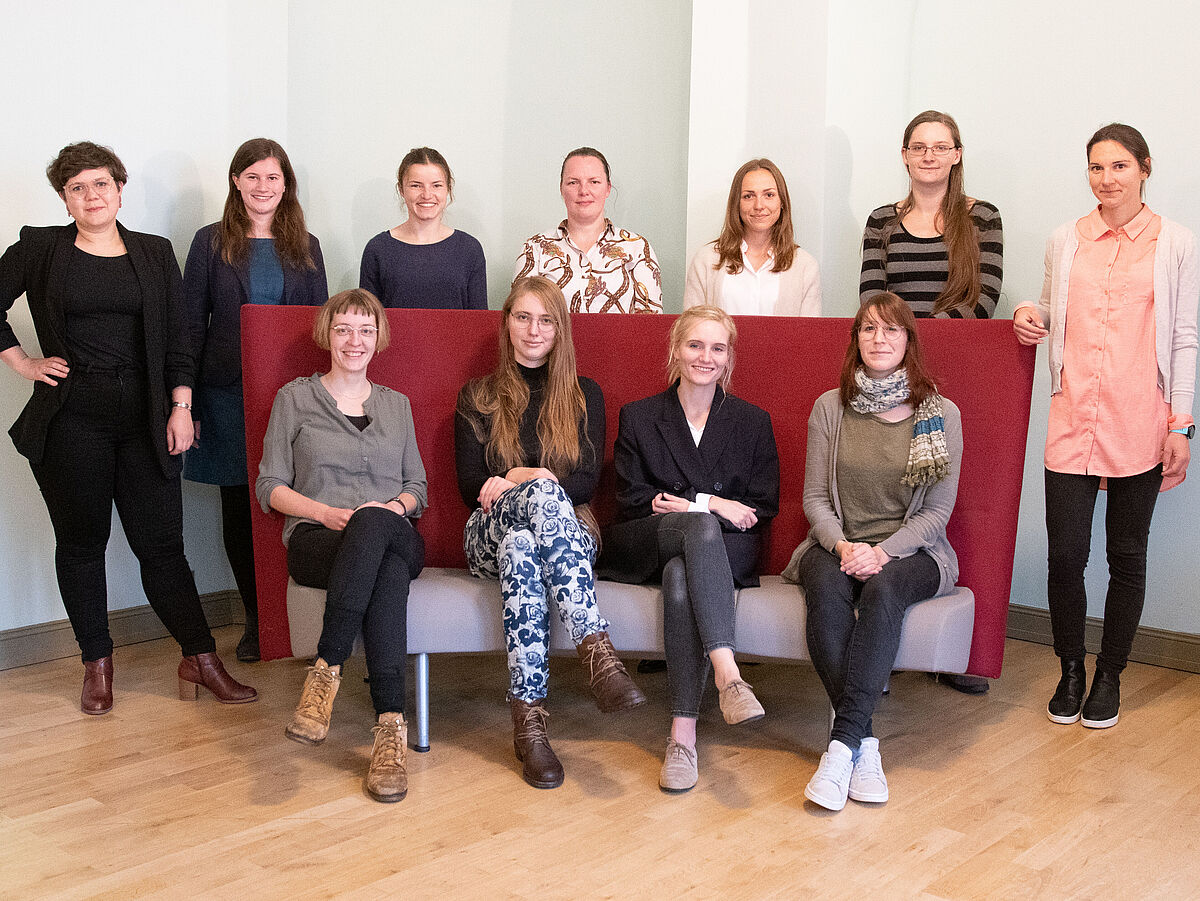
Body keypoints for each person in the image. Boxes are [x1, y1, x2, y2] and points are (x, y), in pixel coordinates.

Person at [0, 141, 256, 714]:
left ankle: (200, 658)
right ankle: (97, 663)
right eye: (77, 188)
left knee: (162, 547)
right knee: (82, 545)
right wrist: (24, 363)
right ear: (64, 199)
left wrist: (181, 405)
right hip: (71, 422)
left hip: (146, 420)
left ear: (119, 190)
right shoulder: (41, 249)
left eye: (101, 184)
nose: (91, 196)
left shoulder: (153, 251)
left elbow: (179, 337)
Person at [1013, 123, 1197, 730]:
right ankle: (1070, 669)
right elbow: (1050, 306)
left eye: (1120, 166)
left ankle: (1110, 674)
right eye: (1097, 167)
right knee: (1066, 558)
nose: (1107, 178)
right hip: (1073, 418)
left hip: (1141, 420)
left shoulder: (1176, 243)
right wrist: (1029, 313)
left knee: (1126, 557)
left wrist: (1181, 424)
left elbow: (1184, 337)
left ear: (1145, 168)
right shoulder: (1065, 239)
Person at [455, 276, 646, 789]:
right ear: (507, 324)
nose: (534, 330)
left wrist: (520, 477)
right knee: (531, 507)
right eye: (523, 317)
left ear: (561, 330)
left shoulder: (585, 395)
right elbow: (471, 485)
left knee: (522, 547)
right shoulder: (478, 395)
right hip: (486, 532)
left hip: (568, 531)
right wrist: (533, 477)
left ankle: (530, 729)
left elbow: (586, 482)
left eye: (546, 320)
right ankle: (597, 654)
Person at [784, 292, 962, 811]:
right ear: (855, 339)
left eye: (891, 329)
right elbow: (815, 500)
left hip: (913, 553)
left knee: (884, 590)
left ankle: (840, 747)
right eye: (868, 329)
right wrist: (844, 546)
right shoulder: (830, 407)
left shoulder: (941, 413)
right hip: (836, 544)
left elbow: (936, 514)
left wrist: (881, 553)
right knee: (823, 585)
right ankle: (862, 744)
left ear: (909, 341)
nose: (879, 339)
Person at [601, 305, 780, 794]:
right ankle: (728, 673)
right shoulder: (640, 416)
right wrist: (712, 503)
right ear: (675, 350)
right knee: (696, 527)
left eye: (717, 348)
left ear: (729, 358)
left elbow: (762, 506)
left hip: (725, 549)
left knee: (683, 570)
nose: (705, 356)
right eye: (695, 345)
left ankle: (683, 736)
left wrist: (692, 505)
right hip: (648, 541)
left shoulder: (752, 421)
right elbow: (633, 499)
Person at [257, 289, 426, 803]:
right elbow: (270, 486)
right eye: (344, 329)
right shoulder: (294, 399)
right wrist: (323, 513)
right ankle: (391, 730)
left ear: (379, 338)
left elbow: (416, 490)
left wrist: (387, 509)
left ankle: (326, 671)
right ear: (327, 335)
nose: (355, 341)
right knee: (385, 572)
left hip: (392, 530)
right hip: (319, 538)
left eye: (366, 330)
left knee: (375, 526)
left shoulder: (397, 405)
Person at [184, 137, 328, 663]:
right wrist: (184, 402)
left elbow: (318, 328)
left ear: (285, 185)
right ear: (236, 182)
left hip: (290, 397)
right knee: (241, 509)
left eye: (272, 177)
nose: (262, 186)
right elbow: (189, 325)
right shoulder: (209, 242)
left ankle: (293, 621)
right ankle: (256, 619)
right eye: (252, 176)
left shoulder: (307, 245)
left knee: (292, 502)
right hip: (224, 396)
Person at [860, 110, 1003, 319]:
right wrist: (904, 333)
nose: (929, 157)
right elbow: (872, 301)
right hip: (895, 339)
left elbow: (985, 299)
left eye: (940, 148)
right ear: (905, 155)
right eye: (919, 148)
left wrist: (927, 330)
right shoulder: (881, 220)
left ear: (957, 155)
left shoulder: (984, 217)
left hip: (957, 339)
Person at [515, 147, 662, 313]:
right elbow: (520, 317)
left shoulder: (637, 248)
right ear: (562, 189)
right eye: (573, 182)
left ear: (608, 188)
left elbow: (649, 322)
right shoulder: (535, 248)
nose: (584, 191)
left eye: (594, 182)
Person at [683, 158, 821, 315]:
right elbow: (690, 327)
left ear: (782, 202)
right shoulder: (706, 260)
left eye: (769, 195)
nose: (759, 206)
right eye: (748, 196)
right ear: (737, 203)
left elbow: (809, 330)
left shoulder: (805, 266)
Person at [359, 146, 487, 310]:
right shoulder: (378, 249)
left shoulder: (469, 249)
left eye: (436, 185)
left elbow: (478, 319)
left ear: (448, 188)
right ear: (401, 190)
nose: (427, 195)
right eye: (416, 186)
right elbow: (366, 319)